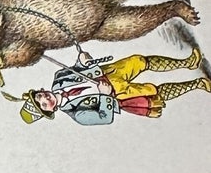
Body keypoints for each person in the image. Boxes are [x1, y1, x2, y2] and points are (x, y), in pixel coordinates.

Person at [16, 48, 208, 125]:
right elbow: (104, 118)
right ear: (50, 111)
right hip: (118, 95)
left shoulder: (59, 77)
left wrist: (82, 60)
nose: (45, 98)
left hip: (109, 72)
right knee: (154, 91)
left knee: (140, 61)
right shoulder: (78, 116)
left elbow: (78, 67)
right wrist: (105, 96)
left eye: (40, 95)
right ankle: (198, 84)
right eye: (42, 104)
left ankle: (187, 63)